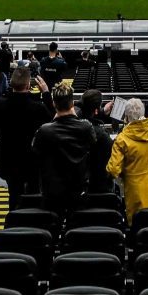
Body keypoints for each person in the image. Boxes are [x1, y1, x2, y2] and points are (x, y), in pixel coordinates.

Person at [34, 87, 106, 219]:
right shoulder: (86, 127)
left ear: (54, 104)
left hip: (52, 192)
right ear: (72, 103)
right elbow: (93, 144)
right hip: (78, 191)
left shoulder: (44, 130)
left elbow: (36, 150)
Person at [0, 66, 52, 195]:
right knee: (33, 195)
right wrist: (46, 93)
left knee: (13, 196)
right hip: (31, 161)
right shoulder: (37, 108)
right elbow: (52, 123)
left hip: (8, 159)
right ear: (28, 84)